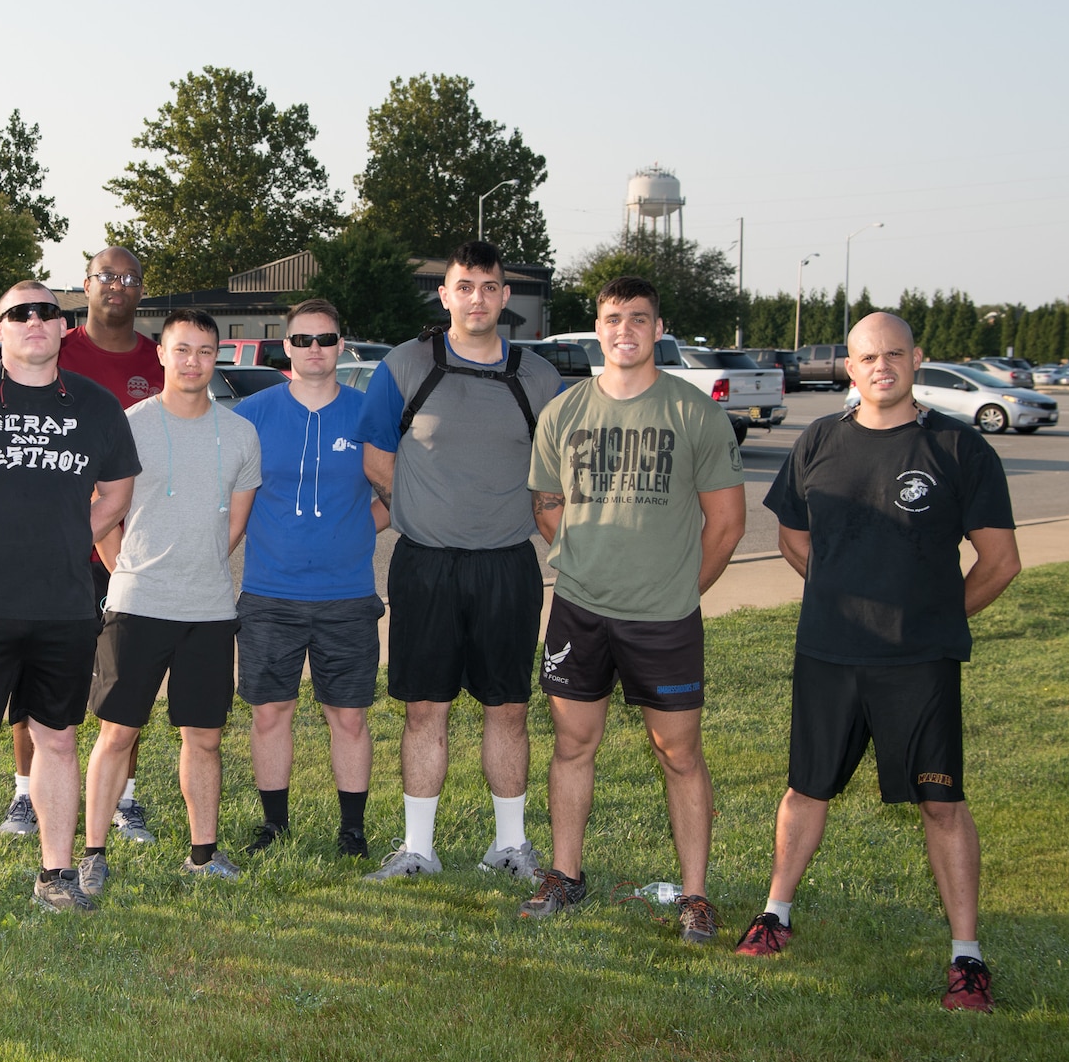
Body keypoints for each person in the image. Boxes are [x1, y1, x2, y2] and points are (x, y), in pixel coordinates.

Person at [735, 313, 1018, 1011]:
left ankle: (966, 957)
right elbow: (795, 539)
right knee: (805, 789)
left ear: (916, 358)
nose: (881, 366)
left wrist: (933, 617)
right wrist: (841, 594)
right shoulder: (821, 439)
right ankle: (777, 914)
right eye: (867, 356)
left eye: (894, 353)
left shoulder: (958, 447)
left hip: (918, 663)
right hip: (828, 653)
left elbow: (1000, 561)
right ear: (849, 367)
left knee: (942, 802)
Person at [522, 275, 746, 942]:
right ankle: (565, 874)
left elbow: (727, 524)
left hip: (664, 619)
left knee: (679, 753)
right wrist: (587, 562)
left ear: (657, 328)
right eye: (614, 317)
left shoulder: (693, 412)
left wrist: (677, 589)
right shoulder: (563, 413)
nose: (626, 329)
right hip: (579, 611)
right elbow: (546, 504)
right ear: (598, 326)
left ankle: (696, 894)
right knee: (571, 744)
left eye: (639, 318)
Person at [0, 280, 140, 913]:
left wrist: (69, 541)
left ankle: (55, 876)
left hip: (62, 603)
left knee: (58, 737)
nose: (35, 320)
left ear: (65, 328)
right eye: (20, 313)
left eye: (47, 312)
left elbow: (117, 494)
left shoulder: (95, 405)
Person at [356, 240, 563, 881]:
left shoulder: (539, 377)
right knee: (425, 708)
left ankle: (510, 847)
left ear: (506, 298)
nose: (477, 298)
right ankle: (418, 849)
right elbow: (376, 457)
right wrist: (423, 511)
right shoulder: (403, 365)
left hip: (508, 565)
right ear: (444, 295)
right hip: (425, 565)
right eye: (464, 286)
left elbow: (551, 476)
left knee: (508, 708)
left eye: (489, 287)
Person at [80, 309, 261, 893]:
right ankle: (92, 852)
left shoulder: (240, 434)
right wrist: (127, 573)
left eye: (205, 351)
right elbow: (102, 514)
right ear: (160, 355)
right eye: (182, 350)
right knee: (117, 732)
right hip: (136, 606)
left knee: (204, 737)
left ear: (218, 358)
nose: (193, 362)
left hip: (208, 609)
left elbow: (234, 525)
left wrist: (193, 565)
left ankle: (203, 853)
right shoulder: (126, 425)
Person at [0, 246, 164, 842]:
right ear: (85, 286)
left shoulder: (160, 358)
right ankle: (24, 793)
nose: (117, 286)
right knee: (36, 672)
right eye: (105, 276)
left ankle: (125, 800)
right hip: (53, 543)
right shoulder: (52, 348)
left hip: (134, 542)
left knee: (125, 676)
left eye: (129, 278)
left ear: (141, 289)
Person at [231, 298, 389, 858]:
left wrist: (355, 531)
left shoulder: (369, 413)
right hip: (270, 592)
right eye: (303, 341)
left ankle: (353, 831)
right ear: (286, 347)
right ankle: (274, 826)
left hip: (346, 596)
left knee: (348, 717)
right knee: (271, 712)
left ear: (342, 345)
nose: (315, 350)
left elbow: (396, 494)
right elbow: (229, 496)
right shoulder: (250, 414)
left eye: (326, 339)